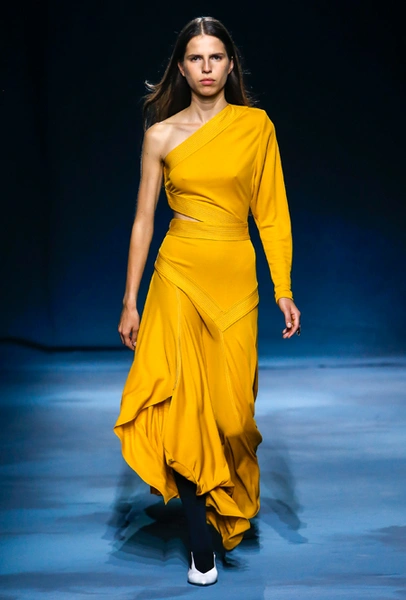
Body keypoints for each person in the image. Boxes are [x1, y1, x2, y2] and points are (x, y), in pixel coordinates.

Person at [114, 16, 301, 586]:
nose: (206, 68)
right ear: (181, 67)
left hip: (236, 280)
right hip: (177, 274)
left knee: (234, 417)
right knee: (186, 406)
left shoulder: (255, 127)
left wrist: (284, 287)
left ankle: (226, 503)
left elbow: (272, 212)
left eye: (215, 57)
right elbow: (143, 220)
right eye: (195, 58)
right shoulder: (160, 135)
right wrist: (130, 299)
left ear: (230, 64)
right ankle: (201, 545)